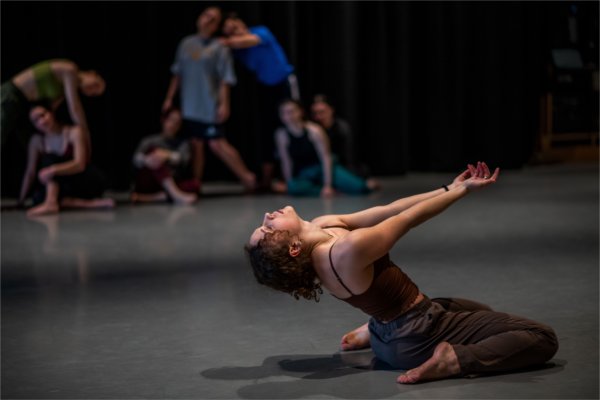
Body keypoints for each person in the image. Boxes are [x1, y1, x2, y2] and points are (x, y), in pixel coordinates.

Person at [244, 162, 559, 384]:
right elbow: (407, 218)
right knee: (541, 338)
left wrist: (449, 186)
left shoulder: (322, 226)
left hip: (392, 334)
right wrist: (462, 191)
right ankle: (453, 361)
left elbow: (387, 209)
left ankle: (373, 331)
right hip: (418, 335)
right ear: (294, 248)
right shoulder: (345, 252)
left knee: (480, 311)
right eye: (267, 229)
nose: (267, 216)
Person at [162, 6, 256, 193]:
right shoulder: (186, 43)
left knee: (216, 143)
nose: (207, 20)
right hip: (190, 104)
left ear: (216, 26)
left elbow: (225, 78)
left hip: (209, 103)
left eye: (213, 19)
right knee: (196, 143)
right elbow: (177, 74)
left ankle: (247, 178)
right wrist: (169, 98)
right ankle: (196, 182)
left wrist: (224, 104)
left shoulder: (219, 46)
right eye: (206, 15)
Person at [221, 13, 300, 190]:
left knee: (292, 124)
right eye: (229, 30)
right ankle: (267, 179)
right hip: (265, 89)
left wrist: (224, 41)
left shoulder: (260, 32)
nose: (234, 32)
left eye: (235, 26)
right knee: (268, 132)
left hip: (284, 84)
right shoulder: (239, 52)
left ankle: (295, 177)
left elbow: (247, 40)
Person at [18, 103, 114, 217]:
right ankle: (87, 204)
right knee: (37, 198)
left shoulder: (74, 132)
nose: (41, 122)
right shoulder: (37, 141)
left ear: (52, 113)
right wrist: (21, 200)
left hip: (82, 178)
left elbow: (80, 164)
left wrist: (54, 170)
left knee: (50, 160)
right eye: (35, 121)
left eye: (43, 115)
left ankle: (51, 202)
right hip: (63, 186)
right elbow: (30, 172)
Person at [1, 59, 106, 158]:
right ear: (92, 74)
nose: (92, 90)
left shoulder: (63, 91)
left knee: (31, 147)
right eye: (96, 85)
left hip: (22, 107)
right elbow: (74, 107)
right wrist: (85, 134)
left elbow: (50, 111)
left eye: (94, 94)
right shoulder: (70, 70)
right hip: (11, 96)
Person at [274, 99, 378, 197]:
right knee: (293, 188)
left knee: (359, 188)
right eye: (284, 113)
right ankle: (328, 191)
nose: (289, 116)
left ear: (300, 112)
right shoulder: (281, 135)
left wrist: (327, 185)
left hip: (324, 168)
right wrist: (289, 182)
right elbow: (286, 161)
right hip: (306, 172)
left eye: (291, 111)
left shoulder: (314, 131)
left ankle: (364, 184)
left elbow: (325, 158)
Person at [131, 108, 198, 205]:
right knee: (153, 153)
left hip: (171, 180)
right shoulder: (150, 140)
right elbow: (136, 158)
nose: (173, 125)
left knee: (195, 185)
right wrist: (148, 160)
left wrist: (167, 155)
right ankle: (175, 195)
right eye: (171, 120)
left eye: (177, 123)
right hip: (149, 180)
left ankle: (150, 198)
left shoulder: (182, 143)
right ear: (163, 120)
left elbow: (183, 159)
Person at [310, 94, 360, 175]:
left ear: (331, 110)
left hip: (340, 164)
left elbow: (349, 154)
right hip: (319, 166)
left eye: (322, 112)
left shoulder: (341, 128)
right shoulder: (312, 129)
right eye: (315, 113)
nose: (318, 117)